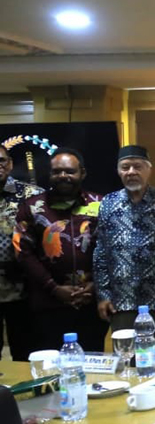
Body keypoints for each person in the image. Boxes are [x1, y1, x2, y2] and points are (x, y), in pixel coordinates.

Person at [93, 145, 155, 368]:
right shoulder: (108, 203)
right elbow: (101, 251)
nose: (131, 172)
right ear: (118, 171)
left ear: (149, 170)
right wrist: (103, 294)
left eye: (137, 166)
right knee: (126, 362)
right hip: (122, 298)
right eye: (125, 167)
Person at [15, 148, 106, 352]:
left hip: (91, 302)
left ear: (82, 173)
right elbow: (23, 252)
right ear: (49, 174)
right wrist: (54, 288)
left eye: (70, 171)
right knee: (51, 362)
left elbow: (110, 250)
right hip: (48, 304)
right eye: (57, 171)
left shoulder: (101, 205)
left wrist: (95, 284)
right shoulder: (31, 207)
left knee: (92, 360)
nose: (63, 176)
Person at [0, 145, 42, 361]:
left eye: (1, 160)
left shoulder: (31, 195)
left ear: (10, 164)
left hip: (22, 288)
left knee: (25, 353)